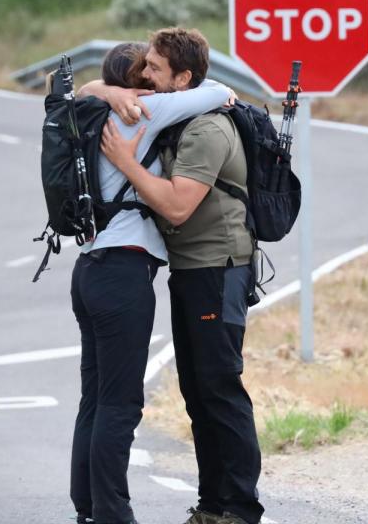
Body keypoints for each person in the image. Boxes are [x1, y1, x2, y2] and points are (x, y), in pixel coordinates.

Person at [100, 27, 265, 524]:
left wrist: (127, 164)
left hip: (218, 269)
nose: (143, 74)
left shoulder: (206, 129)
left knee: (219, 387)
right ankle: (213, 505)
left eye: (153, 67)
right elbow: (85, 91)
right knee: (197, 391)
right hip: (193, 270)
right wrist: (109, 90)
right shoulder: (182, 117)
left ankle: (239, 508)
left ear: (184, 77)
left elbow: (176, 206)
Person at [67, 41, 235, 524]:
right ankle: (113, 515)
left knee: (95, 399)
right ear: (134, 80)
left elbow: (84, 88)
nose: (151, 76)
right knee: (120, 404)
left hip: (89, 267)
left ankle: (89, 509)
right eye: (146, 69)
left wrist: (98, 86)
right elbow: (217, 90)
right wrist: (122, 91)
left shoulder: (88, 110)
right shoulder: (143, 110)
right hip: (123, 271)